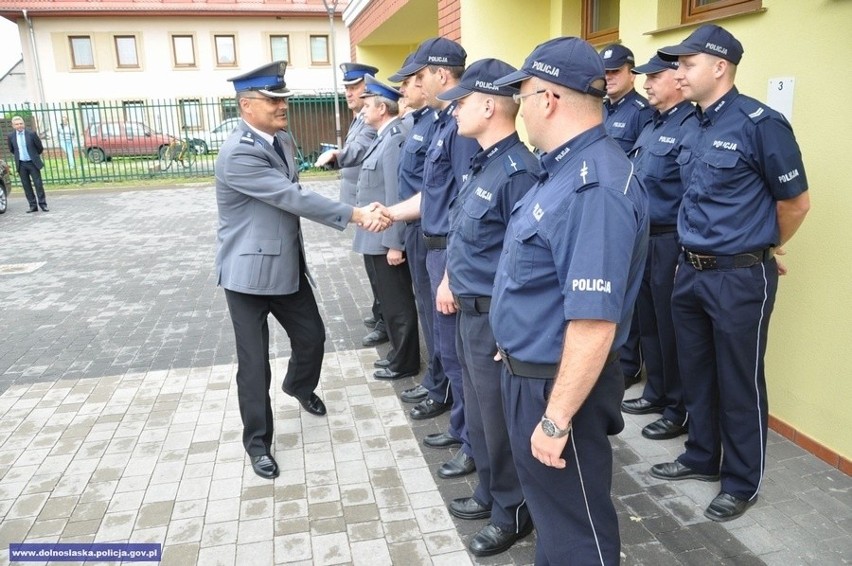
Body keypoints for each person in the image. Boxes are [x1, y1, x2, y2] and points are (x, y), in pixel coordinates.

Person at [491, 37, 648, 564]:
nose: (519, 109)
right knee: (555, 522)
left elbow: (593, 325)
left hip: (559, 388)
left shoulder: (595, 185)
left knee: (578, 529)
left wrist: (557, 420)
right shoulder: (561, 169)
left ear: (549, 99)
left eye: (524, 95)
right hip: (531, 373)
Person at [650, 25, 810, 522]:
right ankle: (701, 455)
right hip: (690, 270)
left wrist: (765, 243)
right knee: (696, 370)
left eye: (687, 62)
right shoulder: (692, 124)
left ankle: (741, 481)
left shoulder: (760, 123)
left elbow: (795, 203)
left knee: (738, 380)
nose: (678, 71)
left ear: (720, 66)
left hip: (739, 277)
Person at [215, 61, 390, 480]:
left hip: (286, 265)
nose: (282, 106)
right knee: (254, 364)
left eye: (283, 99)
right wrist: (355, 214)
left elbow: (296, 190)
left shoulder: (282, 139)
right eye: (273, 100)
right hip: (247, 275)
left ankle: (299, 386)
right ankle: (258, 443)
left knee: (312, 337)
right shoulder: (237, 153)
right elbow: (291, 197)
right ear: (246, 105)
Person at [440, 58, 538, 557]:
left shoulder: (518, 171)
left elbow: (521, 261)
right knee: (480, 416)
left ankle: (512, 511)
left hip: (492, 318)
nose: (453, 112)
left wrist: (507, 327)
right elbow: (467, 240)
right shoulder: (483, 161)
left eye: (459, 103)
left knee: (500, 421)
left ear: (487, 104)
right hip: (467, 310)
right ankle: (490, 490)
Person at [388, 37, 481, 479]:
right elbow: (434, 196)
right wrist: (389, 213)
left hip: (449, 254)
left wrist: (452, 273)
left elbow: (464, 207)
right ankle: (464, 429)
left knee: (460, 356)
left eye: (420, 75)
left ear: (442, 75)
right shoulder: (446, 122)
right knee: (448, 348)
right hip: (436, 248)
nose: (414, 83)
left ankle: (472, 442)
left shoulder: (459, 130)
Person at [620, 55, 694, 442]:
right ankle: (658, 392)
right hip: (646, 238)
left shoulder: (691, 127)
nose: (646, 84)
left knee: (672, 328)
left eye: (654, 77)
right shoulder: (652, 124)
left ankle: (677, 407)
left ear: (679, 80)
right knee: (648, 322)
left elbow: (692, 195)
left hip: (671, 240)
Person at [388, 53, 452, 406]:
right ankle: (436, 381)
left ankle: (442, 387)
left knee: (437, 316)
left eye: (412, 78)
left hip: (433, 231)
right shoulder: (428, 122)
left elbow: (442, 191)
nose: (406, 88)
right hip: (417, 225)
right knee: (428, 312)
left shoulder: (447, 123)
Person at [316, 62, 388, 349]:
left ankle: (385, 320)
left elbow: (357, 151)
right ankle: (379, 312)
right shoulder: (360, 117)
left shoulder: (370, 120)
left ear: (368, 87)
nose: (348, 93)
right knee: (372, 267)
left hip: (369, 203)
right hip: (361, 203)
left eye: (354, 87)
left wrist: (337, 155)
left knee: (379, 268)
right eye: (346, 88)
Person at [354, 76, 420, 380]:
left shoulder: (393, 139)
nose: (363, 111)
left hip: (385, 237)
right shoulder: (382, 136)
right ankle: (397, 353)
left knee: (397, 304)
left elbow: (396, 193)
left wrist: (395, 243)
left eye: (367, 105)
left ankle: (405, 361)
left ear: (382, 107)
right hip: (374, 236)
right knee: (389, 301)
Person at [600, 44, 654, 389]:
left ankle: (630, 365)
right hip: (603, 211)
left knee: (631, 295)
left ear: (631, 72)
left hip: (625, 212)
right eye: (604, 73)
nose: (608, 79)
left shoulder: (640, 111)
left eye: (615, 72)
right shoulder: (602, 108)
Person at [7, 116, 48, 213]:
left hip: (32, 163)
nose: (19, 125)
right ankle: (32, 206)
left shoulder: (31, 134)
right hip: (21, 164)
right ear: (13, 126)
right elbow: (12, 149)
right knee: (26, 186)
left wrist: (33, 156)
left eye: (21, 123)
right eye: (17, 124)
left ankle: (43, 204)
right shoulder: (11, 136)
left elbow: (39, 148)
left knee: (38, 184)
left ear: (24, 124)